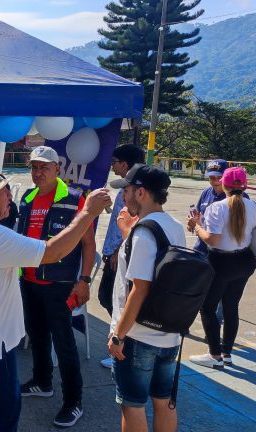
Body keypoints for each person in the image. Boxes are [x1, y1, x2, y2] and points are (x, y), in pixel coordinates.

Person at [0, 165, 111, 432]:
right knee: (4, 417)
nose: (10, 196)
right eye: (4, 192)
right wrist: (88, 212)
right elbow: (52, 252)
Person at [14, 146, 95, 427]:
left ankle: (74, 402)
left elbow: (88, 243)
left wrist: (83, 280)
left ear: (57, 169)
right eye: (34, 167)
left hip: (60, 284)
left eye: (44, 167)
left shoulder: (75, 199)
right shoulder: (27, 197)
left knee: (64, 345)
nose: (38, 173)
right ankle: (42, 382)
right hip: (30, 281)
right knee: (37, 336)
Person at [107, 164, 183, 432]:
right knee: (164, 401)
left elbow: (140, 288)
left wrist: (118, 335)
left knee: (132, 404)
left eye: (126, 191)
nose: (123, 197)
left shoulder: (143, 233)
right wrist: (129, 233)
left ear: (141, 193)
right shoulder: (174, 226)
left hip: (138, 337)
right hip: (170, 334)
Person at [187, 167, 256, 369]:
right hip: (245, 261)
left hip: (220, 263)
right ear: (244, 186)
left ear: (224, 184)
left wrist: (196, 226)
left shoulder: (217, 208)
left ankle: (214, 355)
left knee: (207, 307)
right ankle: (227, 353)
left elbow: (212, 240)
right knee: (231, 307)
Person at [99, 145, 145, 369]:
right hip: (114, 252)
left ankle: (122, 342)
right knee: (109, 299)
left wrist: (117, 251)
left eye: (115, 161)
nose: (112, 166)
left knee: (113, 299)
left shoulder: (131, 191)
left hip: (119, 254)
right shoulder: (124, 191)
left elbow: (131, 223)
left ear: (125, 164)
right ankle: (121, 338)